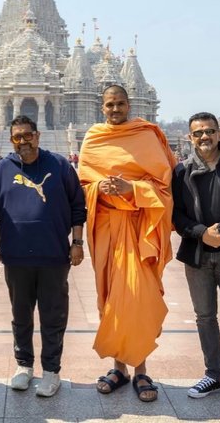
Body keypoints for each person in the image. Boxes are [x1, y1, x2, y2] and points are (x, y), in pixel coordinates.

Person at [77, 85, 176, 403]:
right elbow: (82, 186)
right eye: (109, 105)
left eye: (120, 103)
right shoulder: (93, 137)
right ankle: (119, 368)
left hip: (139, 230)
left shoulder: (146, 136)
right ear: (102, 108)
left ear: (129, 104)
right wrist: (99, 189)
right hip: (107, 230)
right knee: (111, 300)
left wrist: (131, 188)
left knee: (138, 298)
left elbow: (164, 186)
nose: (115, 109)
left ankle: (141, 369)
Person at [0, 115, 86, 397]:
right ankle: (24, 366)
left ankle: (51, 371)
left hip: (53, 255)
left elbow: (79, 206)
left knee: (53, 315)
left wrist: (77, 242)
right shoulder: (3, 169)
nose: (23, 141)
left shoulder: (61, 165)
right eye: (17, 137)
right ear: (11, 140)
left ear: (38, 136)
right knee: (20, 315)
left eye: (28, 135)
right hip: (16, 257)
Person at [172, 112, 220, 412]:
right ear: (190, 137)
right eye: (197, 133)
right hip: (198, 252)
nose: (204, 137)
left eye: (209, 131)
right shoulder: (182, 171)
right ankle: (212, 374)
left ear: (219, 134)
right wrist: (201, 233)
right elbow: (176, 214)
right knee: (204, 317)